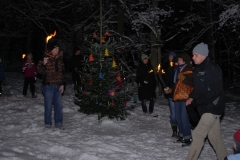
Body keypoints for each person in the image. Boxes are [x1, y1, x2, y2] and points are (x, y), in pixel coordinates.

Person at [186, 42, 228, 160]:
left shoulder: (212, 69)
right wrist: (191, 97)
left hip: (213, 107)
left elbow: (214, 92)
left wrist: (196, 102)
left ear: (203, 56)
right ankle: (224, 158)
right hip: (205, 107)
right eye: (193, 55)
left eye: (195, 55)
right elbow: (198, 89)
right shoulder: (197, 70)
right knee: (214, 137)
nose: (193, 58)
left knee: (197, 134)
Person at [37, 39, 66, 130]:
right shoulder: (45, 58)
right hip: (48, 86)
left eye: (58, 48)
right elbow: (39, 71)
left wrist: (63, 84)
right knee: (48, 106)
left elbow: (62, 73)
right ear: (51, 49)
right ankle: (48, 123)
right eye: (55, 48)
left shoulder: (60, 59)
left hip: (58, 85)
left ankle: (59, 122)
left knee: (58, 106)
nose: (57, 50)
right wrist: (43, 64)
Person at [173, 53, 193, 146]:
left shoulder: (189, 70)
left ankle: (187, 137)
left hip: (185, 97)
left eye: (180, 60)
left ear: (184, 60)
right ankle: (181, 135)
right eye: (178, 60)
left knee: (184, 118)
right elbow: (177, 84)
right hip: (177, 97)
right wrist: (171, 90)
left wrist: (184, 78)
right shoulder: (178, 70)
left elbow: (192, 83)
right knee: (178, 117)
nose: (178, 61)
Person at [164, 52, 178, 137]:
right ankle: (174, 130)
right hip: (171, 95)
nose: (169, 58)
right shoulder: (169, 69)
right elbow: (167, 81)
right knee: (173, 114)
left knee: (180, 113)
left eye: (171, 56)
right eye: (169, 56)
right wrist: (166, 88)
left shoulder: (180, 70)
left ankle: (182, 130)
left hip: (179, 95)